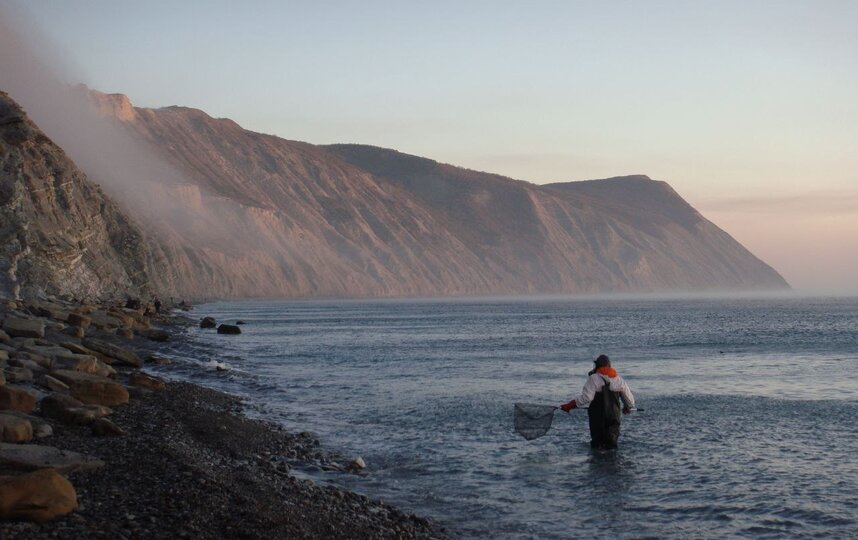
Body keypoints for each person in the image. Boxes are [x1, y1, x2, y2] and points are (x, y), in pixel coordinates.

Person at [559, 354, 635, 449]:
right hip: (613, 417)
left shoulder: (594, 378)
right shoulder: (619, 380)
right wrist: (627, 407)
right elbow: (630, 401)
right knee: (611, 447)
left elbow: (587, 398)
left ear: (597, 366)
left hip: (597, 418)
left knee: (597, 446)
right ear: (609, 366)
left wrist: (570, 405)